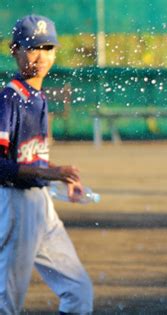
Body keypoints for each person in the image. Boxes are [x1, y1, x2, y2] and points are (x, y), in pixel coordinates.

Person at [0, 15, 93, 314]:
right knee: (7, 302)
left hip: (41, 205)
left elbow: (31, 157)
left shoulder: (38, 97)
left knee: (79, 291)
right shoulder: (9, 99)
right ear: (14, 50)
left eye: (48, 47)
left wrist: (59, 180)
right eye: (32, 47)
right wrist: (47, 172)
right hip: (14, 205)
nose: (41, 56)